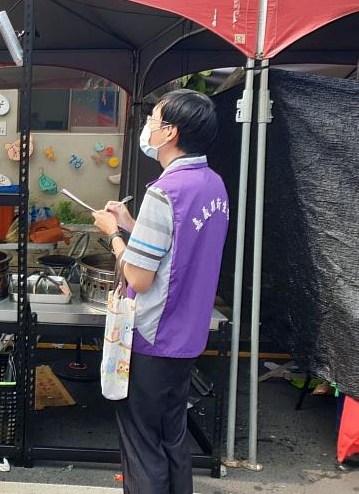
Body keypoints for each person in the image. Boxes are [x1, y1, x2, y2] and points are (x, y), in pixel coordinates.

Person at [92, 89, 229, 494]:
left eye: (153, 119)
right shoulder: (213, 186)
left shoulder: (165, 191)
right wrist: (134, 223)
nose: (147, 126)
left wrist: (114, 235)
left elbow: (138, 277)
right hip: (187, 336)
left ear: (170, 132)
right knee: (172, 440)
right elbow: (176, 248)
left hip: (153, 337)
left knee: (142, 447)